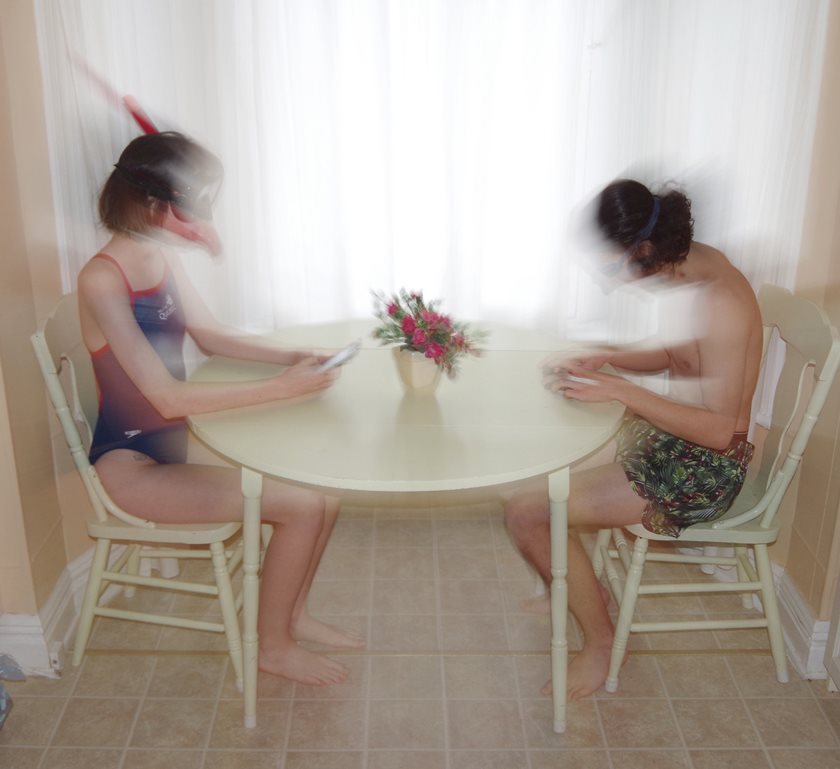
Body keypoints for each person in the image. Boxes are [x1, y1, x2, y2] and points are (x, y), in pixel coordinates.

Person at [78, 131, 364, 687]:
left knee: (322, 493)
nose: (193, 219)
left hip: (166, 456)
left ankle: (292, 615)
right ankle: (272, 647)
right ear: (156, 203)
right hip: (131, 469)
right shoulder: (101, 278)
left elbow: (208, 334)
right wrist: (281, 387)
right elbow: (165, 398)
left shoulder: (156, 257)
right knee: (303, 505)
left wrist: (294, 355)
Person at [504, 179, 762, 700]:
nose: (608, 280)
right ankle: (572, 582)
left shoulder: (721, 301)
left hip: (704, 468)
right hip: (675, 437)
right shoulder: (695, 267)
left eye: (607, 268)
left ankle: (599, 644)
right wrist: (608, 354)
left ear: (643, 250)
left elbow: (722, 432)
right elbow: (678, 357)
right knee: (537, 466)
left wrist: (621, 390)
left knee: (528, 511)